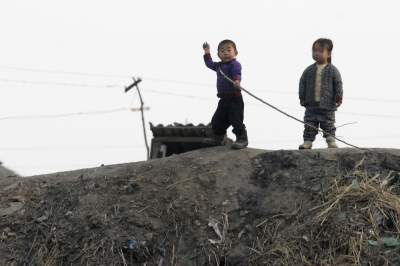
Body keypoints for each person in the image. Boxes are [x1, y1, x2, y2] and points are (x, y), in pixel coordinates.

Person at [202, 40, 248, 149]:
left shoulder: (235, 64)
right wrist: (207, 51)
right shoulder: (218, 66)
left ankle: (242, 138)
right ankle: (218, 138)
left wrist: (237, 81)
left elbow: (237, 73)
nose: (226, 52)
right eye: (222, 51)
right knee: (217, 120)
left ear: (235, 53)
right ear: (219, 55)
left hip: (235, 99)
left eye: (229, 50)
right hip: (223, 100)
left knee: (236, 119)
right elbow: (209, 63)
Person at [299, 38, 343, 149]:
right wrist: (302, 97)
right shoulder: (308, 70)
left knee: (328, 124)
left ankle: (331, 140)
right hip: (311, 105)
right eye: (314, 51)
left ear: (328, 54)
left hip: (328, 105)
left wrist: (339, 96)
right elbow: (302, 83)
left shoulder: (333, 70)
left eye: (319, 51)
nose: (316, 53)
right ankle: (307, 142)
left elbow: (338, 84)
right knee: (309, 124)